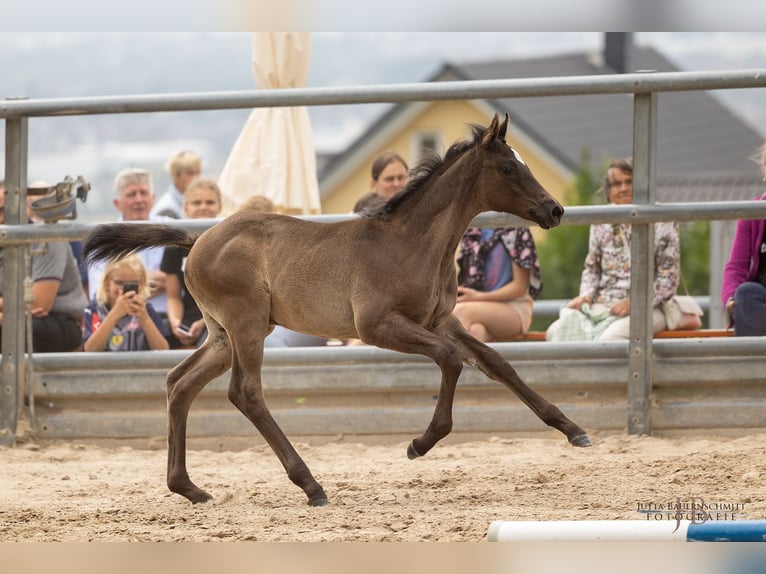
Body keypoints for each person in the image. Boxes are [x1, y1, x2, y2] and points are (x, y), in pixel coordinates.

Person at [546, 158, 681, 342]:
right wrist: (585, 295)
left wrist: (636, 302)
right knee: (556, 331)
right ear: (608, 191)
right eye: (617, 184)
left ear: (644, 186)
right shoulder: (601, 219)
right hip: (603, 304)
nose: (624, 188)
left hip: (649, 306)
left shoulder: (662, 220)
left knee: (610, 341)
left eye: (630, 181)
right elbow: (592, 269)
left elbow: (668, 278)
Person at [0, 182, 87, 352]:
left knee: (18, 329)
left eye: (3, 210)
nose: (0, 218)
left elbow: (38, 303)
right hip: (20, 319)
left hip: (59, 321)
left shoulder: (46, 238)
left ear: (24, 208)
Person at [87, 168, 168, 318]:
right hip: (119, 322)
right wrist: (165, 281)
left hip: (167, 321)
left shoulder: (172, 230)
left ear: (153, 198)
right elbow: (99, 295)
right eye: (131, 194)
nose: (139, 200)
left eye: (143, 193)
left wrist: (125, 284)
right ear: (117, 203)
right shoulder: (102, 242)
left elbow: (187, 282)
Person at [161, 177, 222, 348]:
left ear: (219, 207)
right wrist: (175, 323)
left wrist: (204, 322)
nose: (203, 207)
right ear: (185, 207)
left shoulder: (227, 244)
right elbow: (173, 296)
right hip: (187, 318)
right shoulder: (175, 245)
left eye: (209, 202)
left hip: (220, 318)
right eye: (197, 202)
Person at [452, 226, 542, 341]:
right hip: (477, 307)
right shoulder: (473, 230)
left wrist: (478, 297)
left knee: (460, 312)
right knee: (476, 331)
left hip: (513, 308)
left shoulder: (516, 228)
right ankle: (469, 360)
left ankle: (445, 359)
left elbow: (519, 288)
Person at [721, 142, 766, 336]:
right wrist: (731, 300)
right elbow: (736, 266)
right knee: (746, 293)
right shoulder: (754, 211)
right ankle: (754, 364)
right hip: (760, 295)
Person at [82, 255, 169, 351]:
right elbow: (90, 350)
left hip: (138, 364)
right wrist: (114, 315)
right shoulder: (94, 309)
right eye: (119, 283)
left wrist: (144, 318)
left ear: (142, 284)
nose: (123, 289)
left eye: (132, 284)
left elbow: (163, 350)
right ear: (107, 283)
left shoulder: (146, 309)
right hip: (105, 365)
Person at [150, 150, 202, 219]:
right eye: (190, 173)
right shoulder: (166, 210)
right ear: (176, 175)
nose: (196, 178)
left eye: (198, 173)